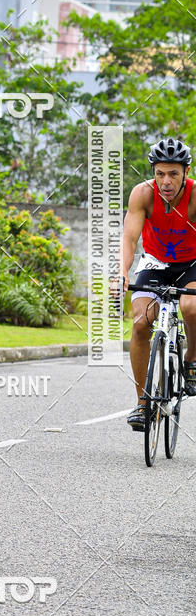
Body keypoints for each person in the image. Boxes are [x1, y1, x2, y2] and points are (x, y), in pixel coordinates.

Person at [120, 137, 196, 431]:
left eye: (173, 173)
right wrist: (122, 274)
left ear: (185, 173)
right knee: (141, 322)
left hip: (191, 263)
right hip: (155, 261)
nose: (166, 181)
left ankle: (191, 357)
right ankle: (143, 403)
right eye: (159, 173)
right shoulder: (143, 194)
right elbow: (129, 239)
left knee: (191, 307)